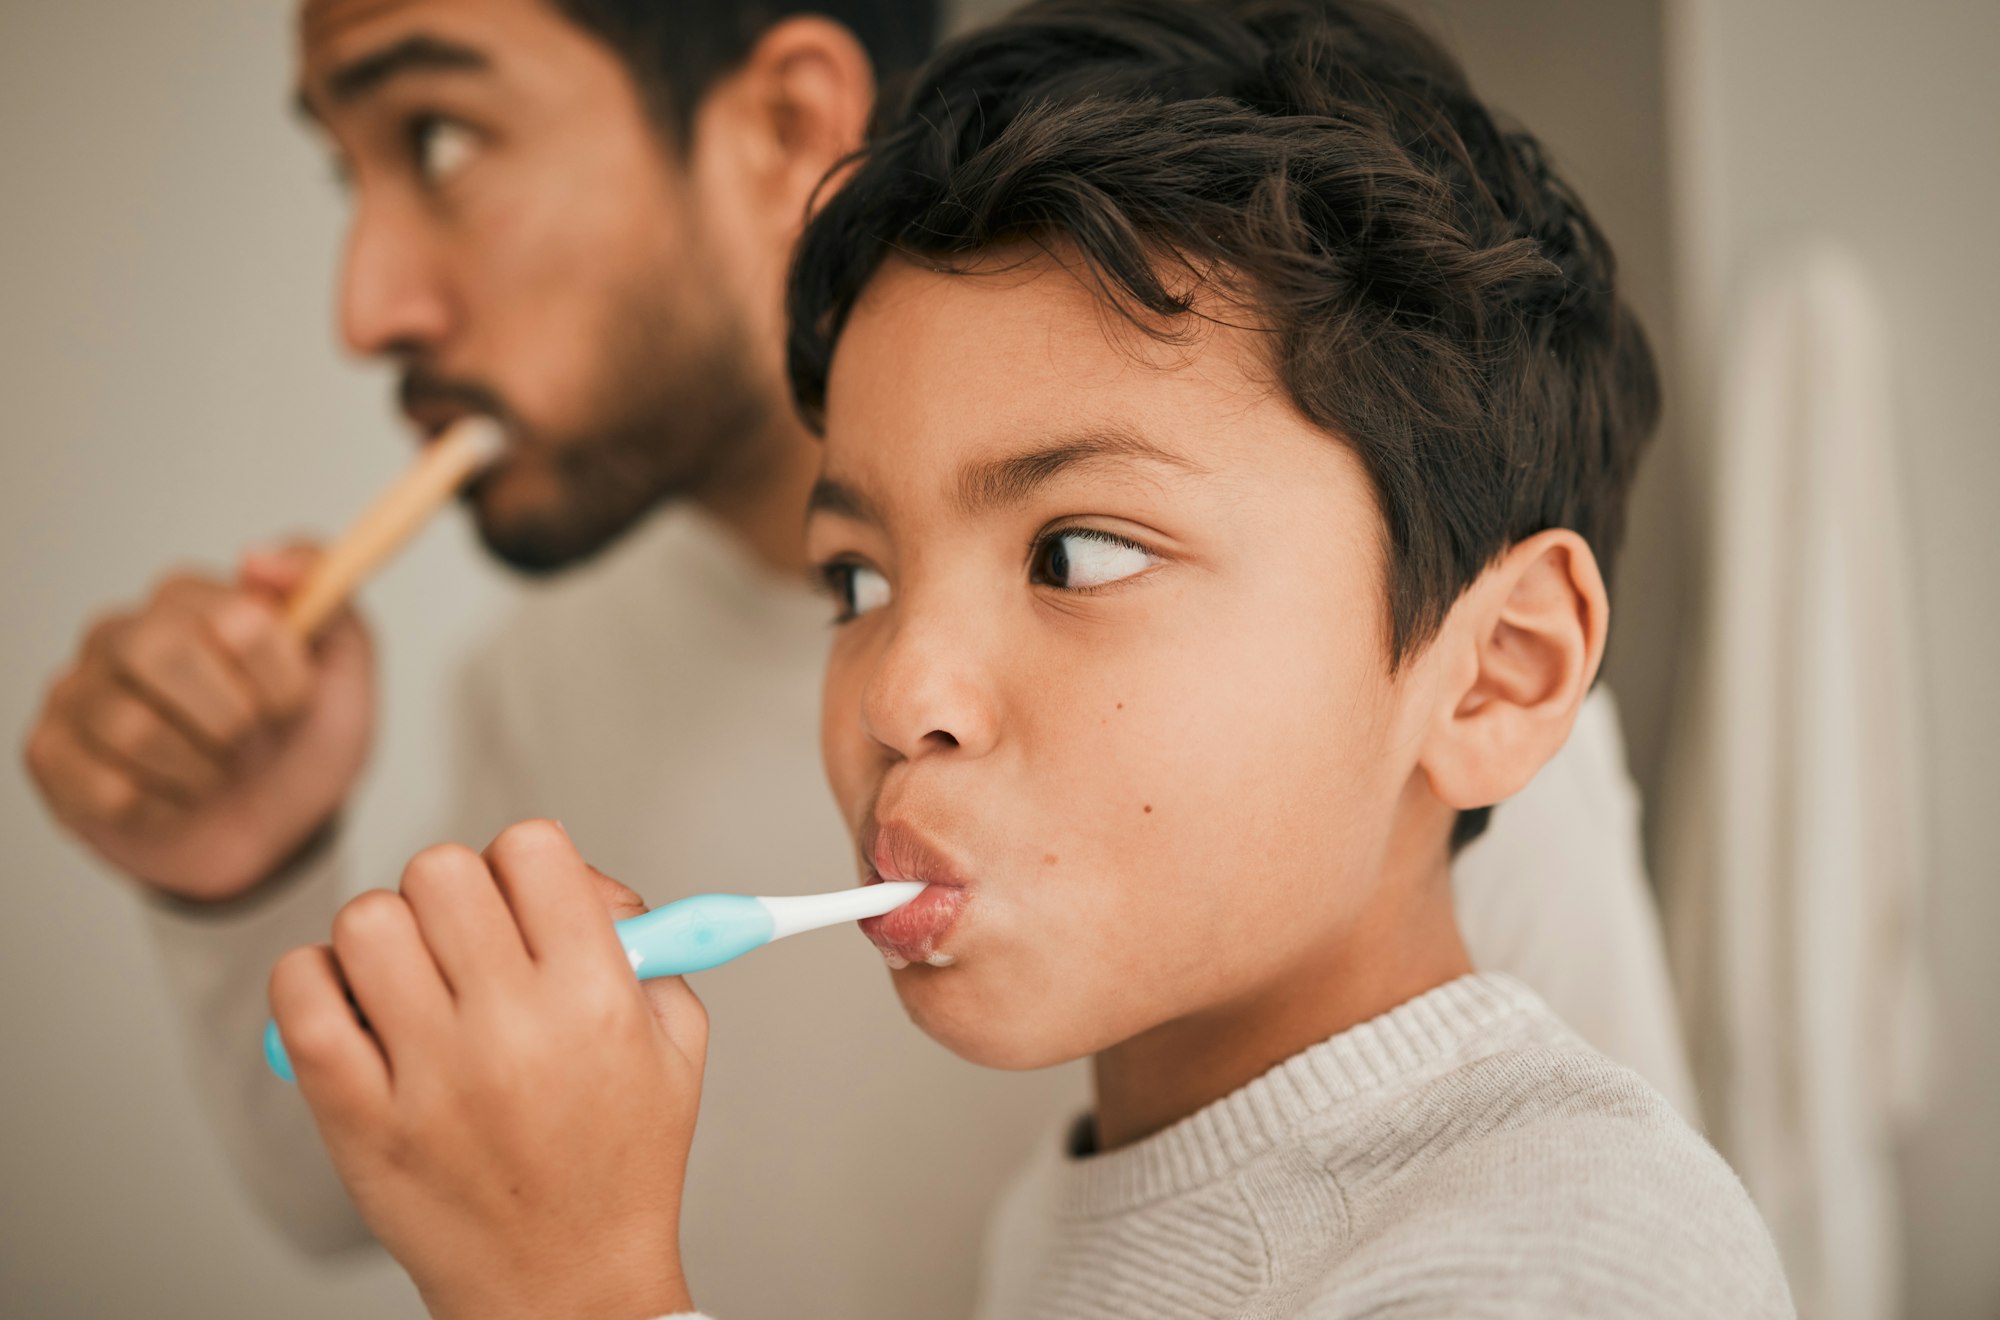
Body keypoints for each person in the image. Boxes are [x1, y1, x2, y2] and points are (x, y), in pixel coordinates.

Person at [22, 0, 1697, 1314]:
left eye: (1077, 554)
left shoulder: (1551, 1239)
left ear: (1495, 681)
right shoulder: (1086, 1204)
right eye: (852, 580)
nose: (900, 698)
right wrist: (242, 885)